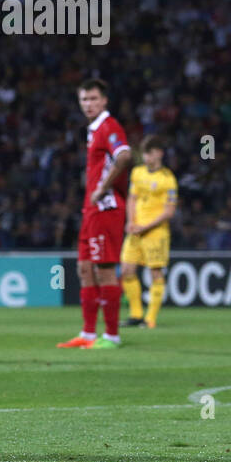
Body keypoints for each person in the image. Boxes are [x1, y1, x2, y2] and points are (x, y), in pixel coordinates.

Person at [58, 78, 132, 350]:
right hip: (91, 211)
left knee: (104, 272)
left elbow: (125, 155)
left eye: (93, 99)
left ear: (104, 100)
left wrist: (103, 187)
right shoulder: (94, 130)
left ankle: (112, 336)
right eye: (84, 100)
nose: (88, 104)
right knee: (84, 269)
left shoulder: (110, 127)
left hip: (105, 209)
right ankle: (88, 334)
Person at [121, 135, 177, 329]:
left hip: (156, 232)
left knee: (155, 272)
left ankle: (150, 318)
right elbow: (132, 198)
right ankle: (136, 314)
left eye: (150, 153)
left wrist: (145, 226)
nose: (146, 157)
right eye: (144, 153)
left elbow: (169, 211)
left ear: (159, 153)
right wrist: (130, 221)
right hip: (135, 230)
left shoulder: (167, 179)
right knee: (127, 270)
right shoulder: (137, 173)